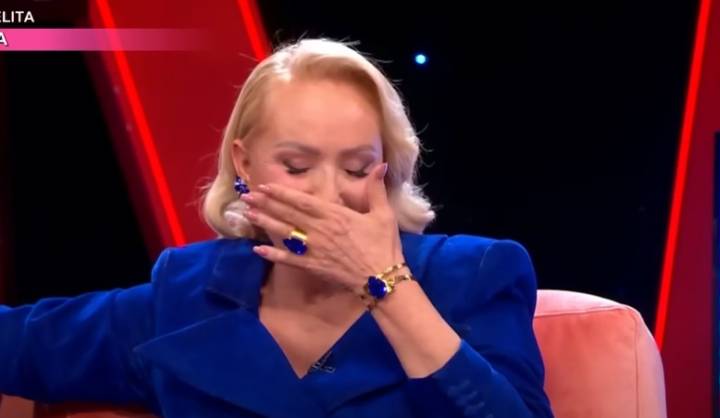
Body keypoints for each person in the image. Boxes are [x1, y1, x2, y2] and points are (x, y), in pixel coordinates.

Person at [0, 38, 554, 418]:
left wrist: (386, 284)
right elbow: (20, 343)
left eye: (356, 168)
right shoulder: (185, 295)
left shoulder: (471, 276)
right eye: (296, 166)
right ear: (244, 164)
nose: (328, 194)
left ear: (386, 170)